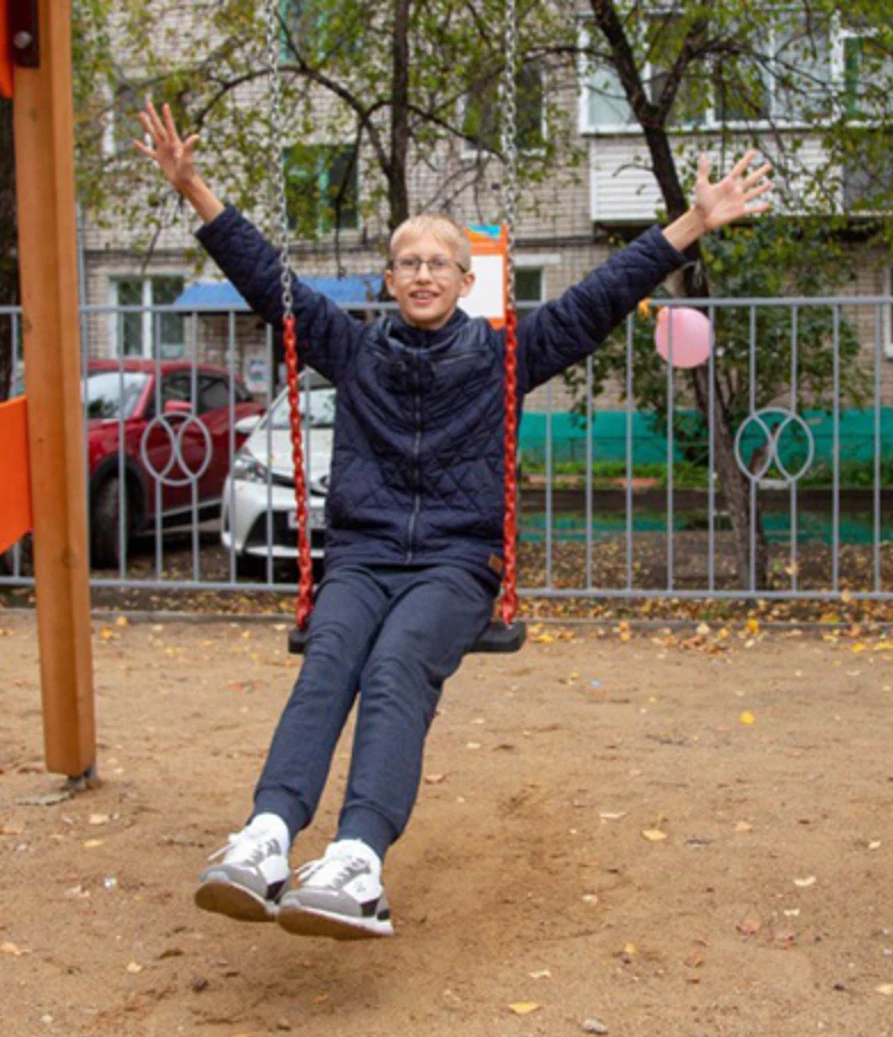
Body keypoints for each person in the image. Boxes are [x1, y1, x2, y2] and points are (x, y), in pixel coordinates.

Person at [136, 102, 772, 940]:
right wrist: (193, 190)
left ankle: (358, 860)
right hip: (361, 557)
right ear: (389, 281)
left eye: (440, 262)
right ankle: (266, 837)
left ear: (466, 281)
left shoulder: (508, 354)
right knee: (330, 659)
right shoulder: (354, 350)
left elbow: (598, 299)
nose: (425, 274)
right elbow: (268, 278)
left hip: (457, 567)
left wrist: (690, 222)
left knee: (395, 665)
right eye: (409, 263)